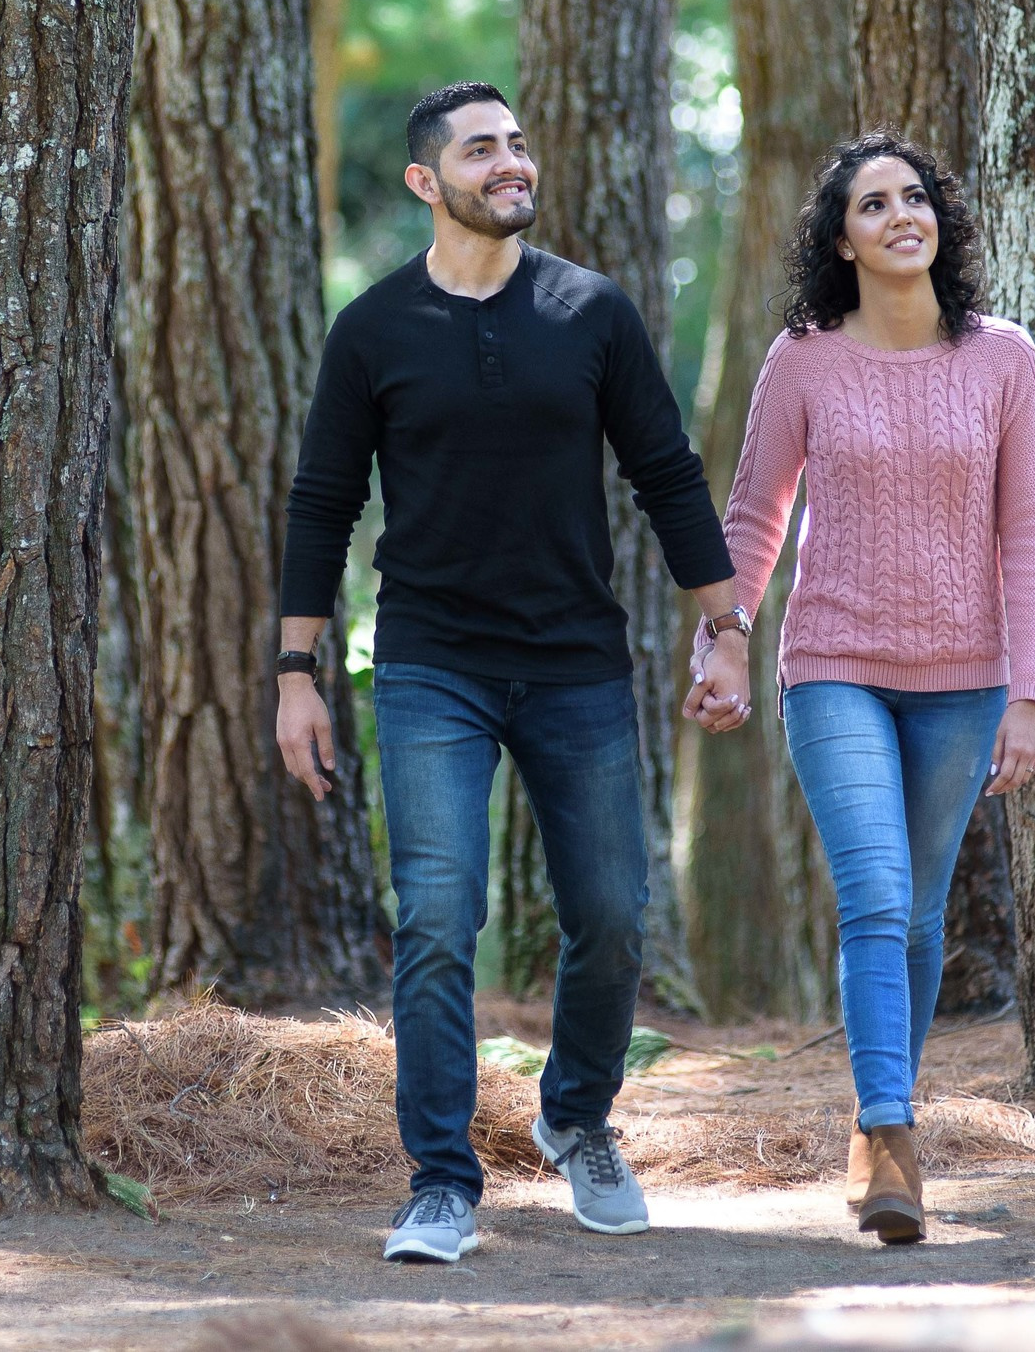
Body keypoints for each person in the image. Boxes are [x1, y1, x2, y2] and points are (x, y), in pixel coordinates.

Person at [276, 80, 753, 1265]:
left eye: (518, 142)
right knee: (437, 917)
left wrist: (726, 625)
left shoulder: (591, 311)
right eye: (482, 149)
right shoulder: (373, 330)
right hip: (431, 662)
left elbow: (668, 473)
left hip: (577, 660)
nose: (511, 162)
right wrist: (298, 670)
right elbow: (322, 505)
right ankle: (441, 1179)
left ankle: (577, 1116)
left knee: (609, 912)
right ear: (425, 182)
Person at [688, 130, 1035, 1246]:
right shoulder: (803, 358)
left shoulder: (1004, 358)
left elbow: (1030, 531)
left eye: (917, 198)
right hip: (834, 668)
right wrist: (725, 636)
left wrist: (1029, 694)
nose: (903, 216)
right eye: (873, 204)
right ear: (839, 241)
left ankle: (886, 1112)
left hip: (965, 684)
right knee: (877, 896)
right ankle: (887, 1135)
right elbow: (756, 514)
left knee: (919, 913)